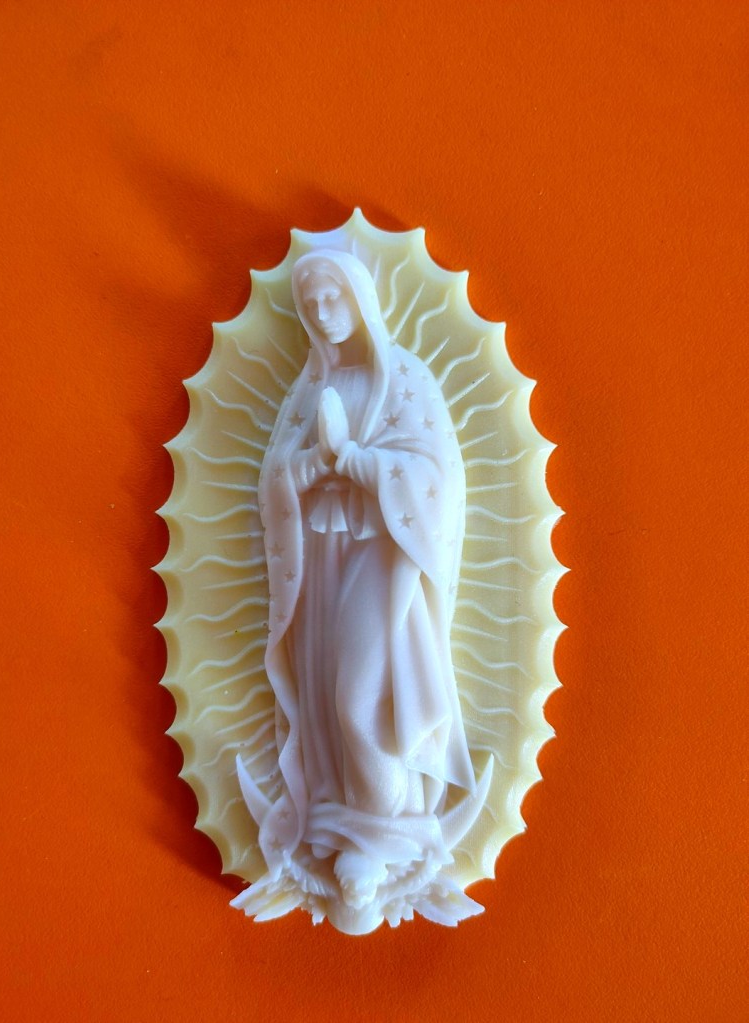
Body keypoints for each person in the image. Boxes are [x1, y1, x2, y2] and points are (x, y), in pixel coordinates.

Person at [236, 249, 478, 921]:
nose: (321, 312)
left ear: (360, 299)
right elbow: (276, 476)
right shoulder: (310, 388)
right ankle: (344, 823)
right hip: (320, 553)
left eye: (333, 297)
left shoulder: (404, 377)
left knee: (359, 696)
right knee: (322, 694)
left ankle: (386, 825)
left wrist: (358, 462)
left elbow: (435, 475)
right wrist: (310, 467)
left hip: (380, 553)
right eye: (310, 303)